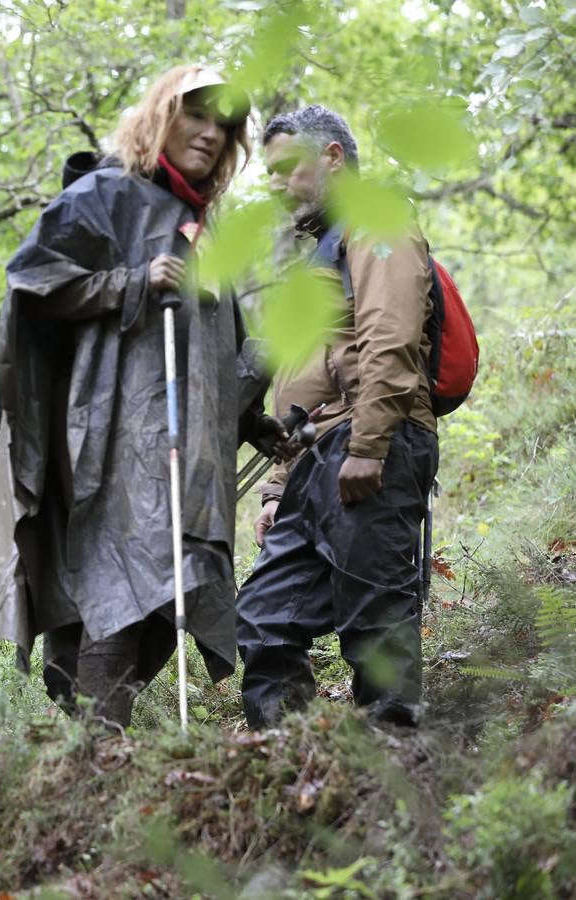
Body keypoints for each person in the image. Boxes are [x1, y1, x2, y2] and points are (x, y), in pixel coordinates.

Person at [0, 64, 282, 727]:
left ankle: (95, 734)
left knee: (182, 583)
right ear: (160, 117)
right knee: (126, 578)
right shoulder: (105, 194)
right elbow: (32, 280)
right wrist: (130, 282)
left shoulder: (205, 223)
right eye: (194, 116)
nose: (209, 134)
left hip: (192, 448)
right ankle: (95, 751)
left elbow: (217, 346)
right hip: (116, 431)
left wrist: (251, 418)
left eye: (223, 125)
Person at [236, 106, 439, 729]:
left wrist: (371, 446)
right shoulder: (321, 253)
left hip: (373, 442)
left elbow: (391, 342)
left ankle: (394, 767)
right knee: (264, 616)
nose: (274, 184)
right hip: (317, 459)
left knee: (376, 619)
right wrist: (277, 487)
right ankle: (290, 762)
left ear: (332, 159)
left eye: (285, 168)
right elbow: (307, 379)